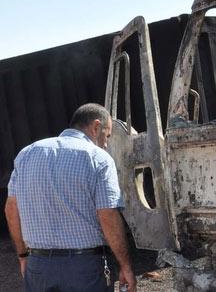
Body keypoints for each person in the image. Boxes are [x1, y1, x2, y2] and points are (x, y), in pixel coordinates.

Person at [4, 103, 137, 292]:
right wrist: (125, 266)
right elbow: (107, 214)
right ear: (96, 126)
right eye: (107, 135)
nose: (106, 143)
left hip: (38, 266)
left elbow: (11, 210)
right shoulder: (98, 157)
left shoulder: (26, 154)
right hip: (84, 269)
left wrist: (23, 256)